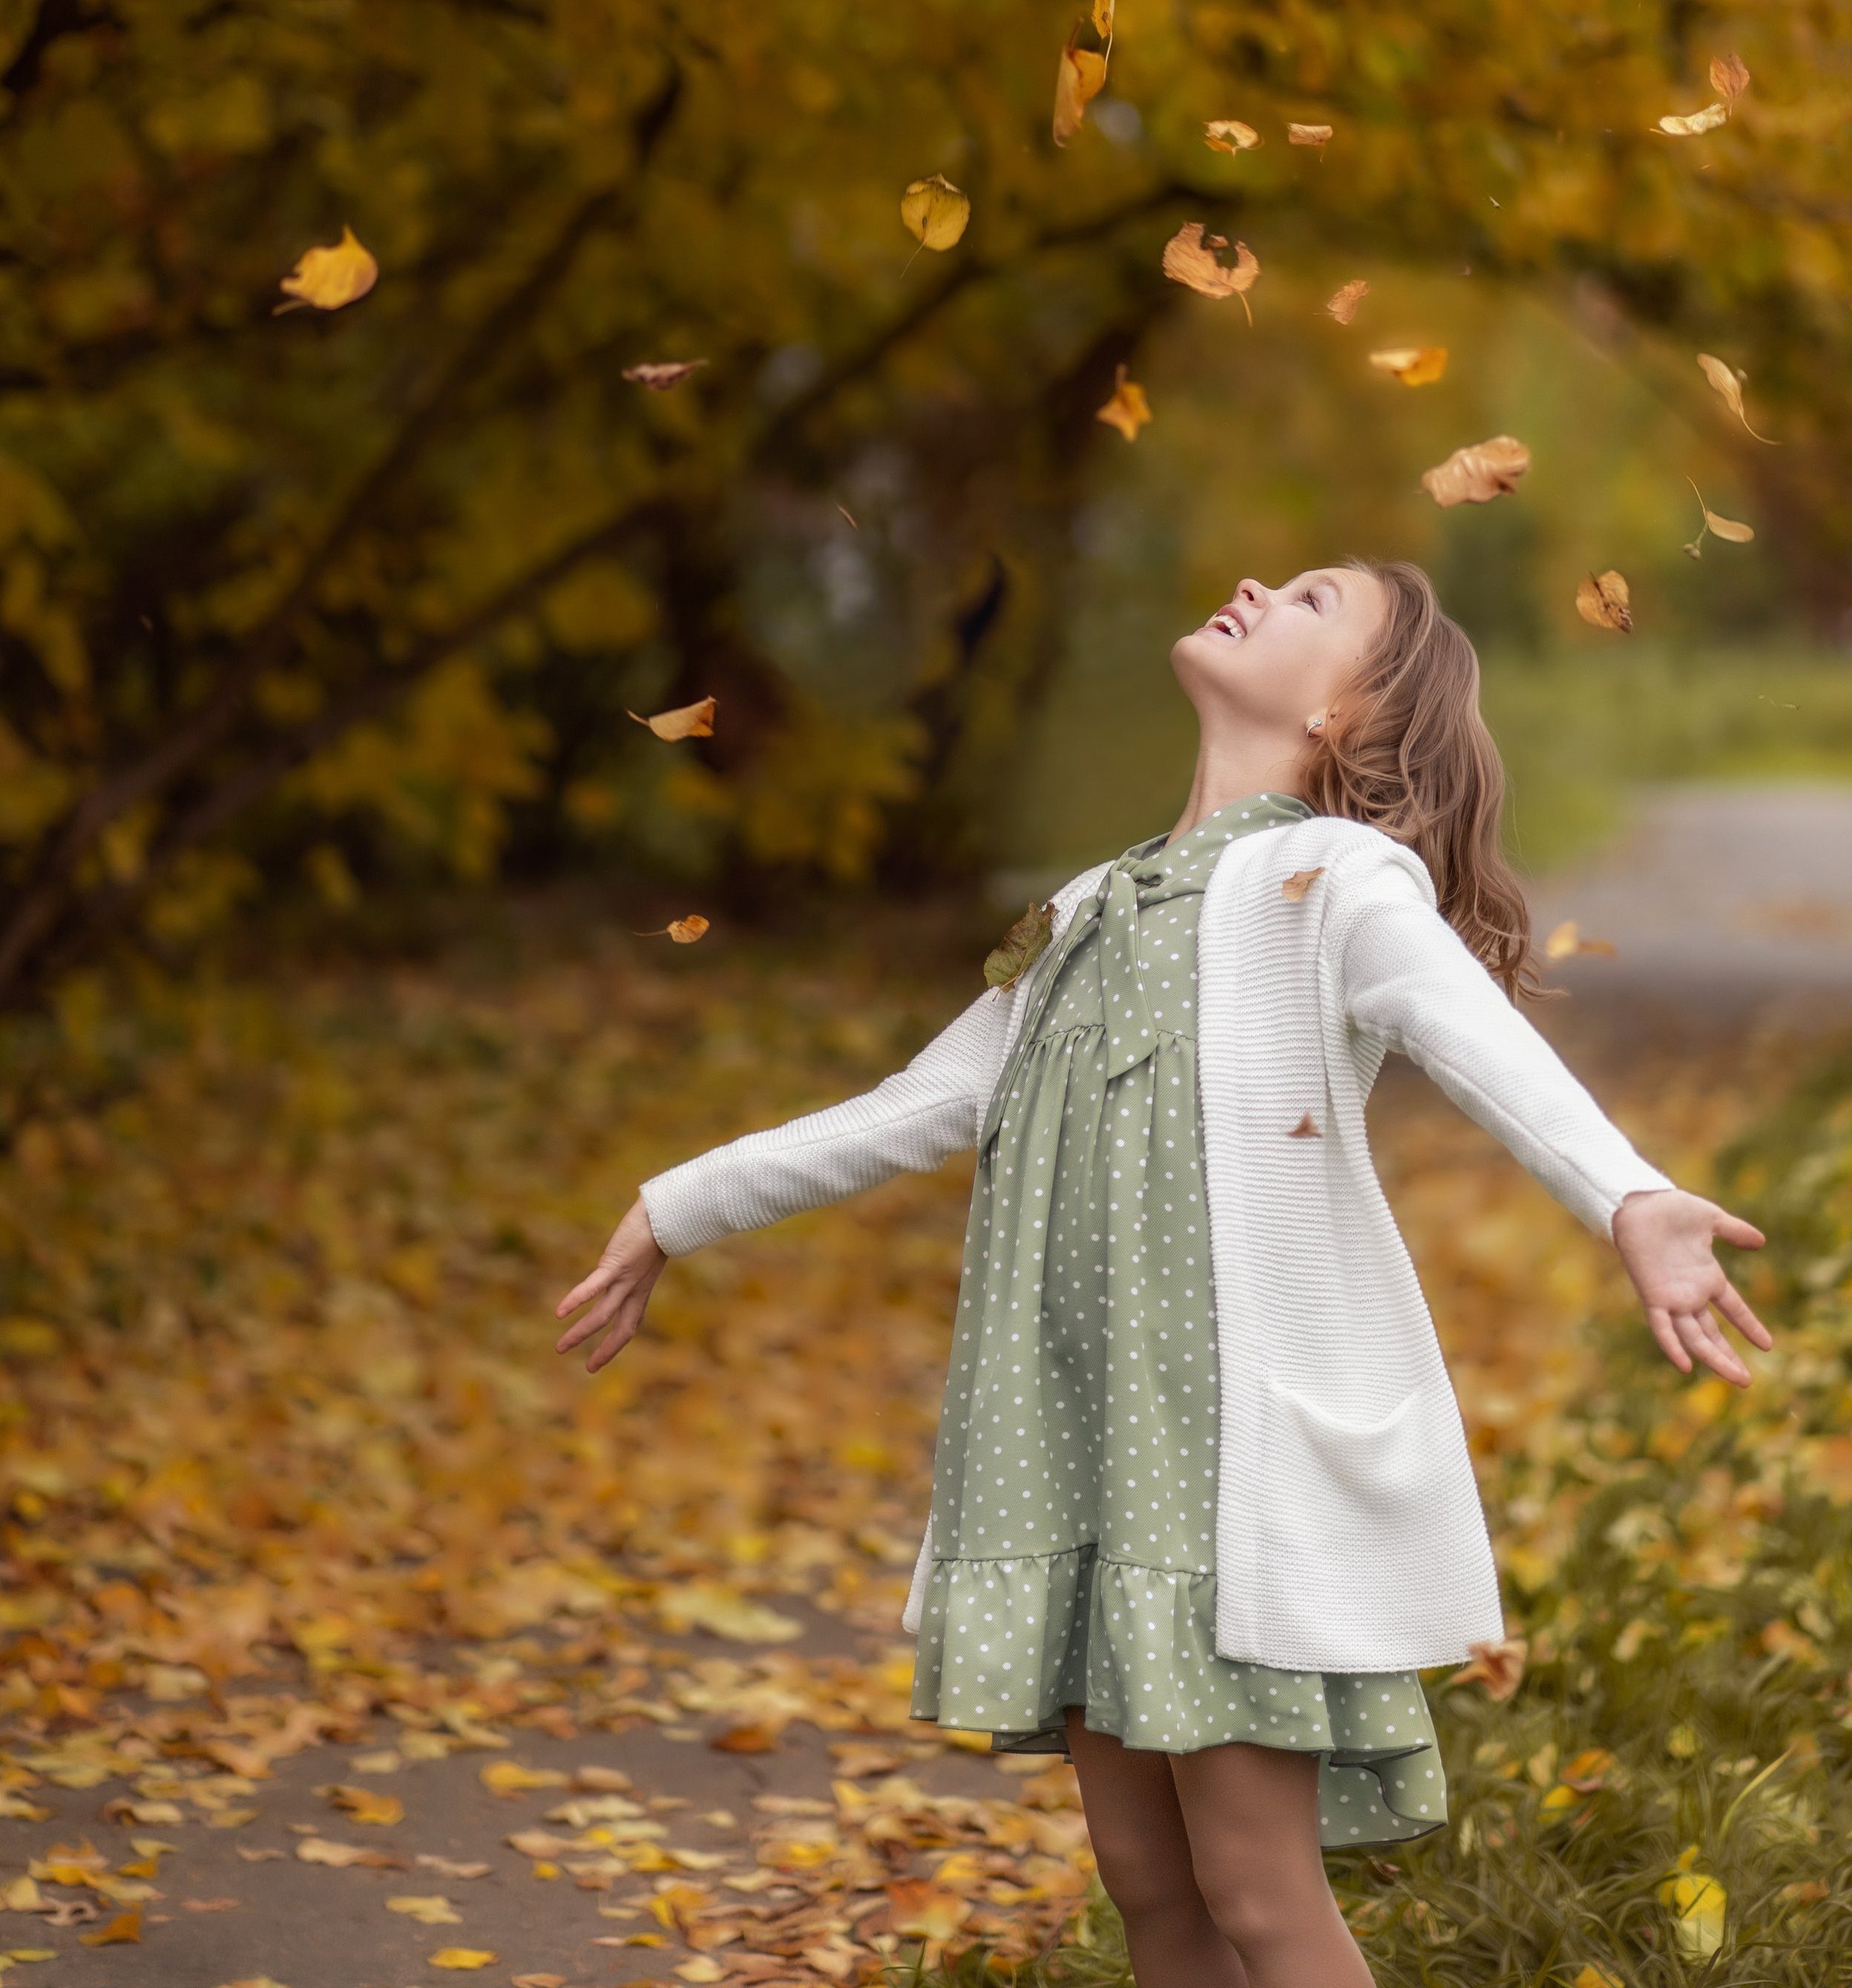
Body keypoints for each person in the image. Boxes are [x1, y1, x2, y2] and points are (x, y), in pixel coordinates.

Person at [556, 562, 1769, 1988]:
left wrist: (1623, 1192)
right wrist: (675, 1206)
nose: (1255, 583)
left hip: (1221, 1477)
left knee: (1256, 1890)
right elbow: (919, 1100)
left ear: (1345, 711)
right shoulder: (1087, 905)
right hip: (1081, 1449)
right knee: (1151, 1888)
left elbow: (1466, 1030)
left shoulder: (1334, 880)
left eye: (1312, 599)